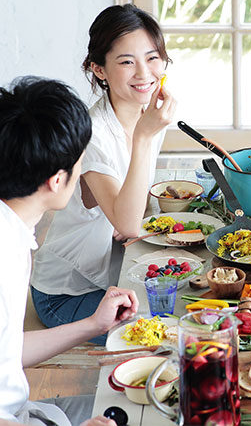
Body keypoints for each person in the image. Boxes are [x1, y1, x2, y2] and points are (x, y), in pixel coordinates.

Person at [30, 4, 176, 344]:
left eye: (153, 58)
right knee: (163, 335)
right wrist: (144, 137)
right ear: (99, 69)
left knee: (184, 306)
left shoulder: (146, 114)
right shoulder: (93, 134)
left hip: (112, 272)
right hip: (67, 293)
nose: (144, 73)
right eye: (127, 62)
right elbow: (129, 224)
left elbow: (133, 210)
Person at [0, 76, 139, 425]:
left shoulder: (13, 229)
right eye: (81, 162)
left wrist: (92, 324)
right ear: (57, 180)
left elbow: (7, 352)